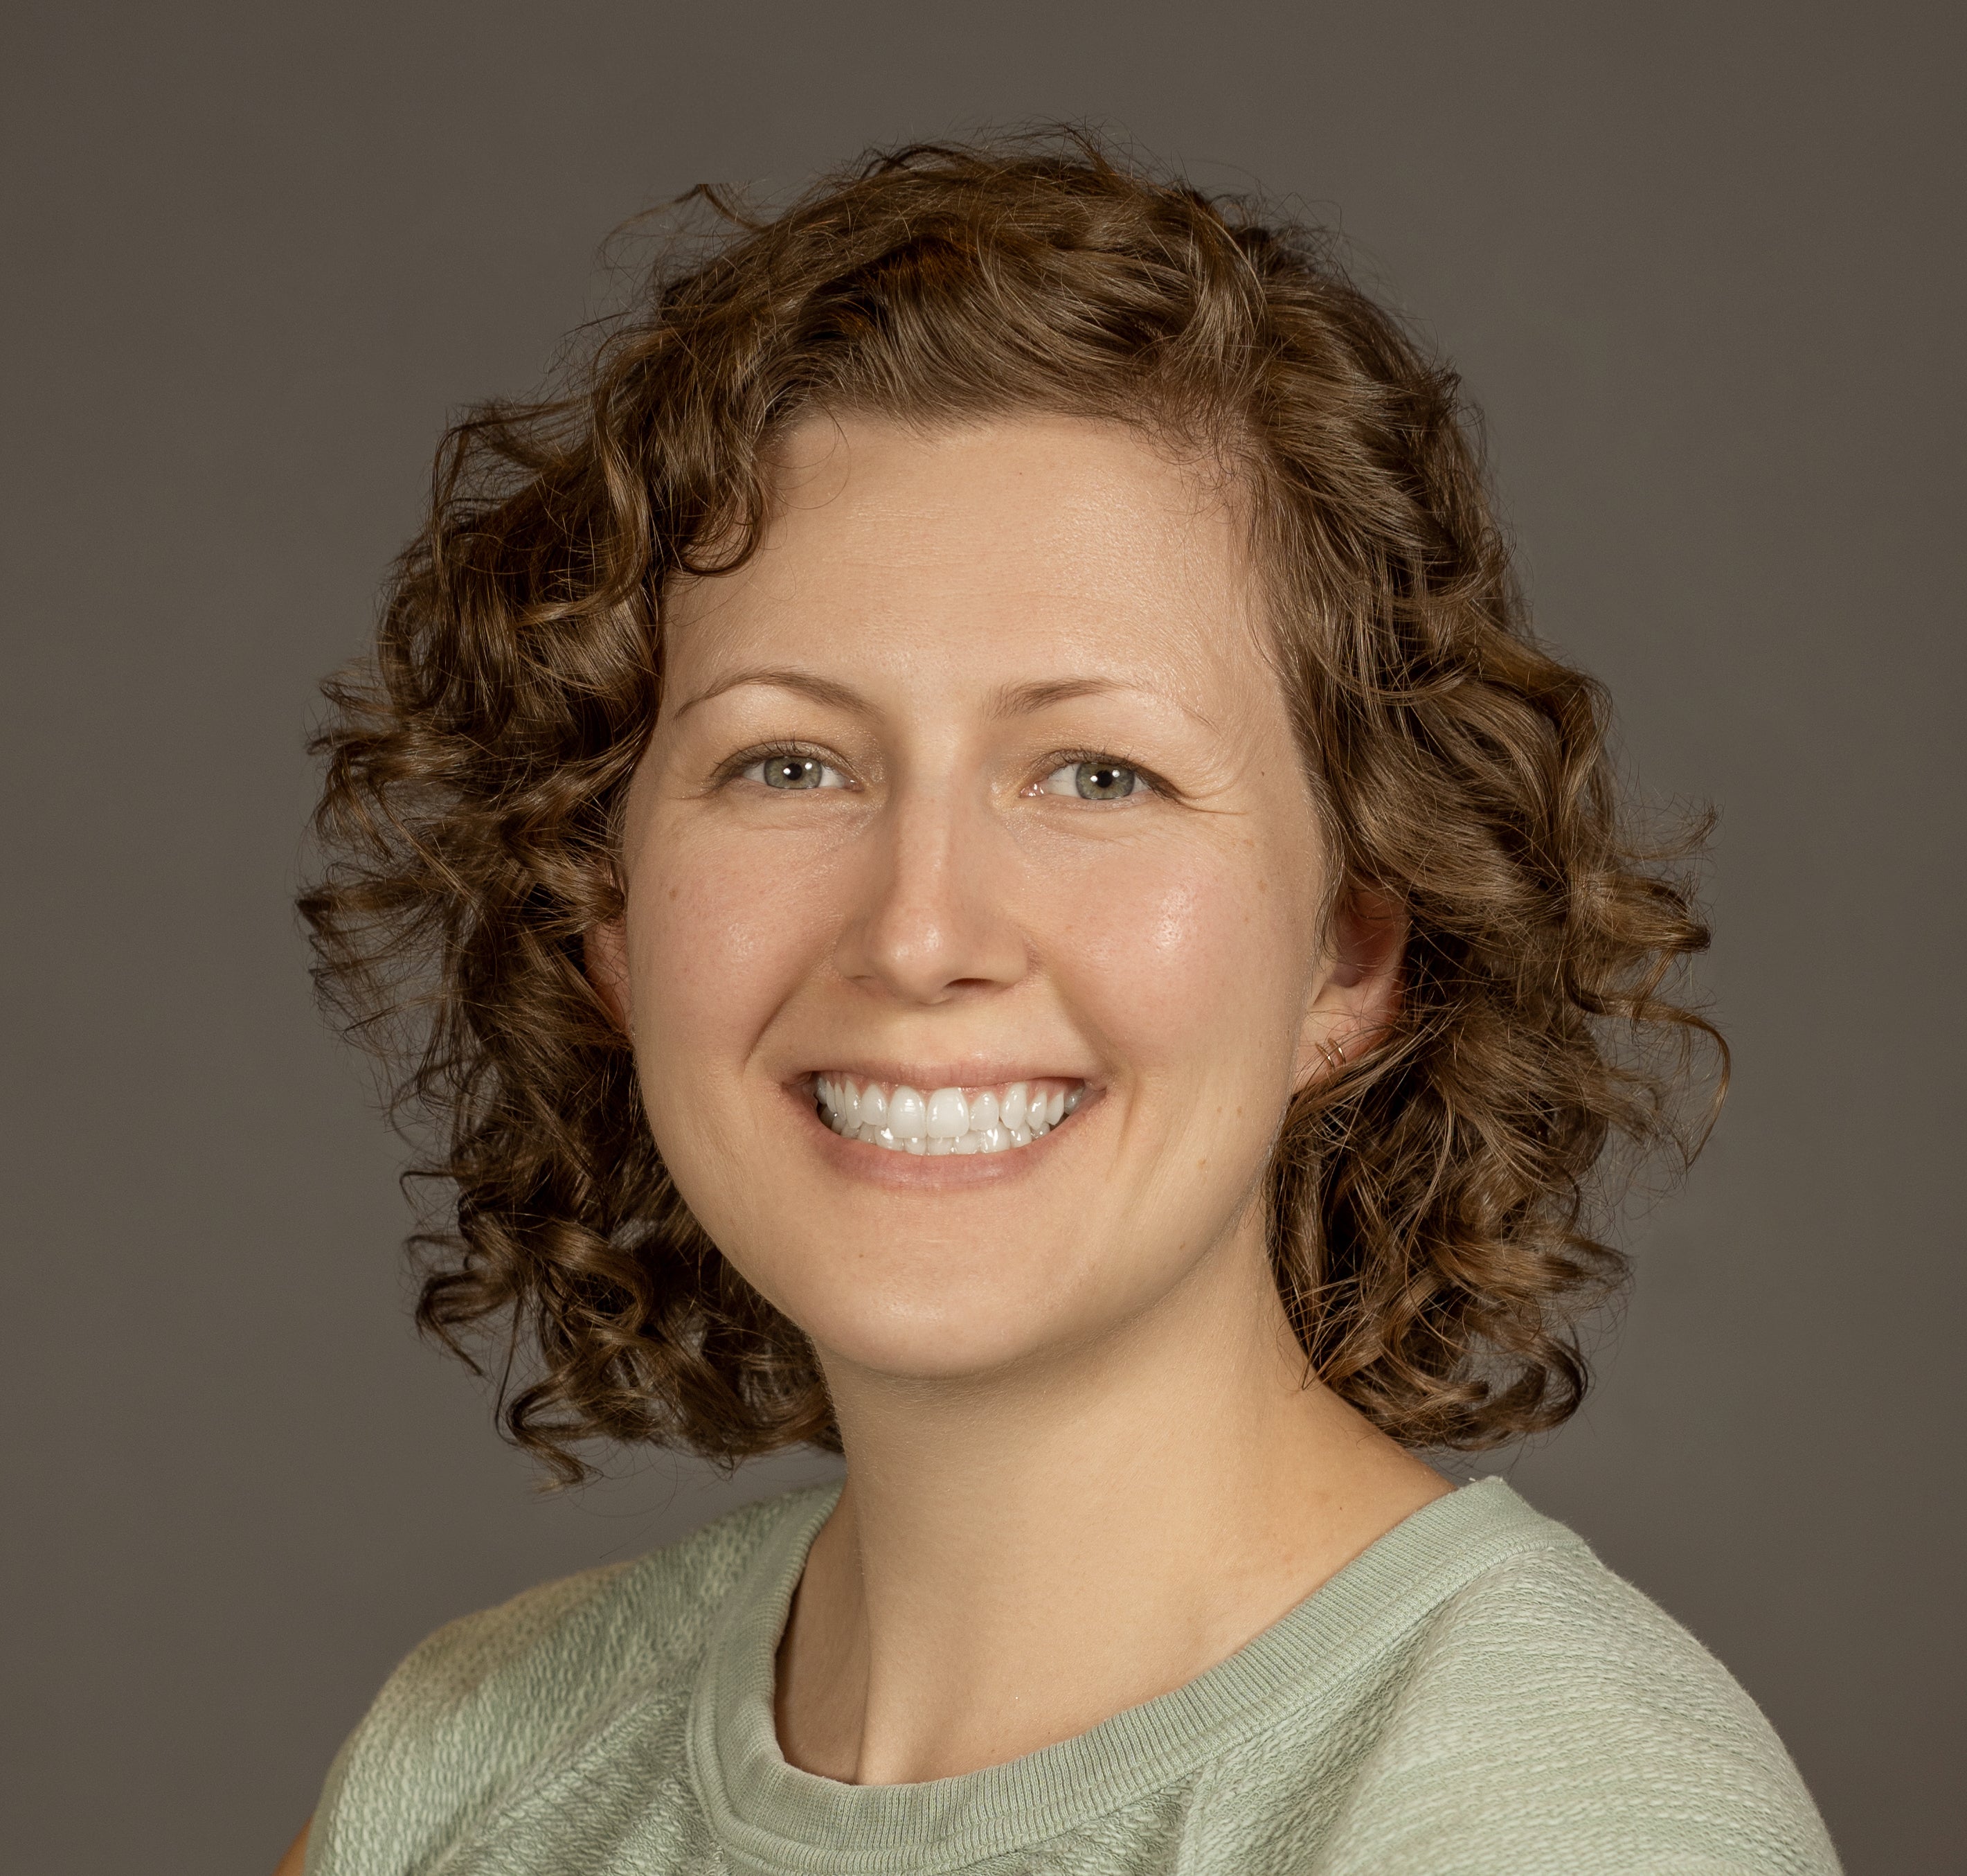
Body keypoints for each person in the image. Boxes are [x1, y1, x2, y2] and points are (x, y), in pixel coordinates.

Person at [282, 134, 1840, 1875]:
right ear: (606, 914)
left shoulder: (1540, 1817)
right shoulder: (469, 1758)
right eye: (787, 760)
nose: (919, 927)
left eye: (1096, 773)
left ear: (1349, 951)